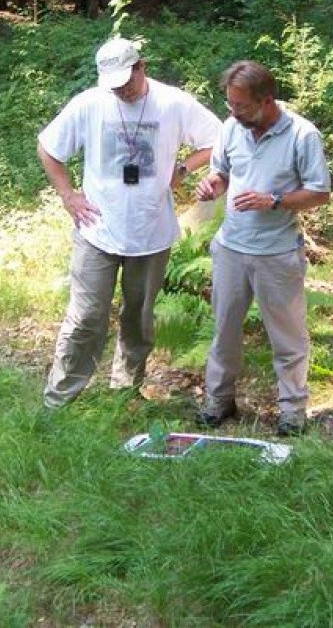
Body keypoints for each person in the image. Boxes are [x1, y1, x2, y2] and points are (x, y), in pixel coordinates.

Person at [39, 37, 222, 407]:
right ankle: (59, 398)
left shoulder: (173, 102)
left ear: (142, 67)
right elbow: (49, 148)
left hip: (151, 231)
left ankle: (125, 391)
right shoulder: (89, 103)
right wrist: (68, 195)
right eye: (115, 85)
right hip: (97, 230)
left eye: (128, 81)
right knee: (86, 317)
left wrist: (184, 168)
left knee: (138, 318)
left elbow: (219, 138)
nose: (122, 90)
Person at [194, 61, 331, 436]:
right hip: (231, 248)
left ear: (266, 100)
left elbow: (319, 192)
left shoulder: (303, 135)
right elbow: (221, 173)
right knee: (224, 330)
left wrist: (274, 200)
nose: (234, 113)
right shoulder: (231, 129)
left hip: (278, 252)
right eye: (230, 105)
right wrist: (212, 186)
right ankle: (218, 401)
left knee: (288, 337)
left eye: (241, 106)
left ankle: (292, 412)